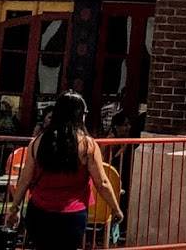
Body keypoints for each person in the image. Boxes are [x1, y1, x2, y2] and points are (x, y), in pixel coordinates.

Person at [7, 91, 123, 250]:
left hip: (39, 211)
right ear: (80, 115)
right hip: (72, 215)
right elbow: (102, 182)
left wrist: (15, 208)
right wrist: (116, 209)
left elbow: (25, 179)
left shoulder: (38, 142)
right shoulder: (88, 145)